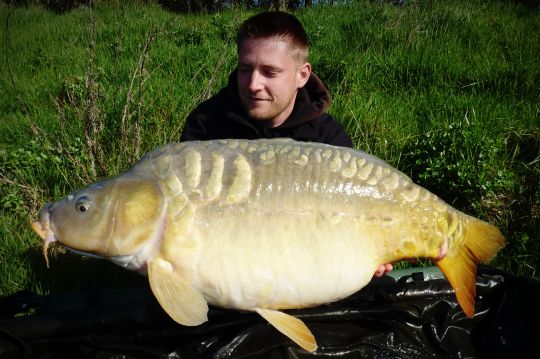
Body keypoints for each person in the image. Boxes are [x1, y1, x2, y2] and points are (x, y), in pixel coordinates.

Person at [180, 11, 392, 277]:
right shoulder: (206, 124)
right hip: (224, 268)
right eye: (245, 69)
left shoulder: (329, 138)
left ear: (302, 75)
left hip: (302, 268)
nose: (254, 84)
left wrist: (367, 252)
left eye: (270, 72)